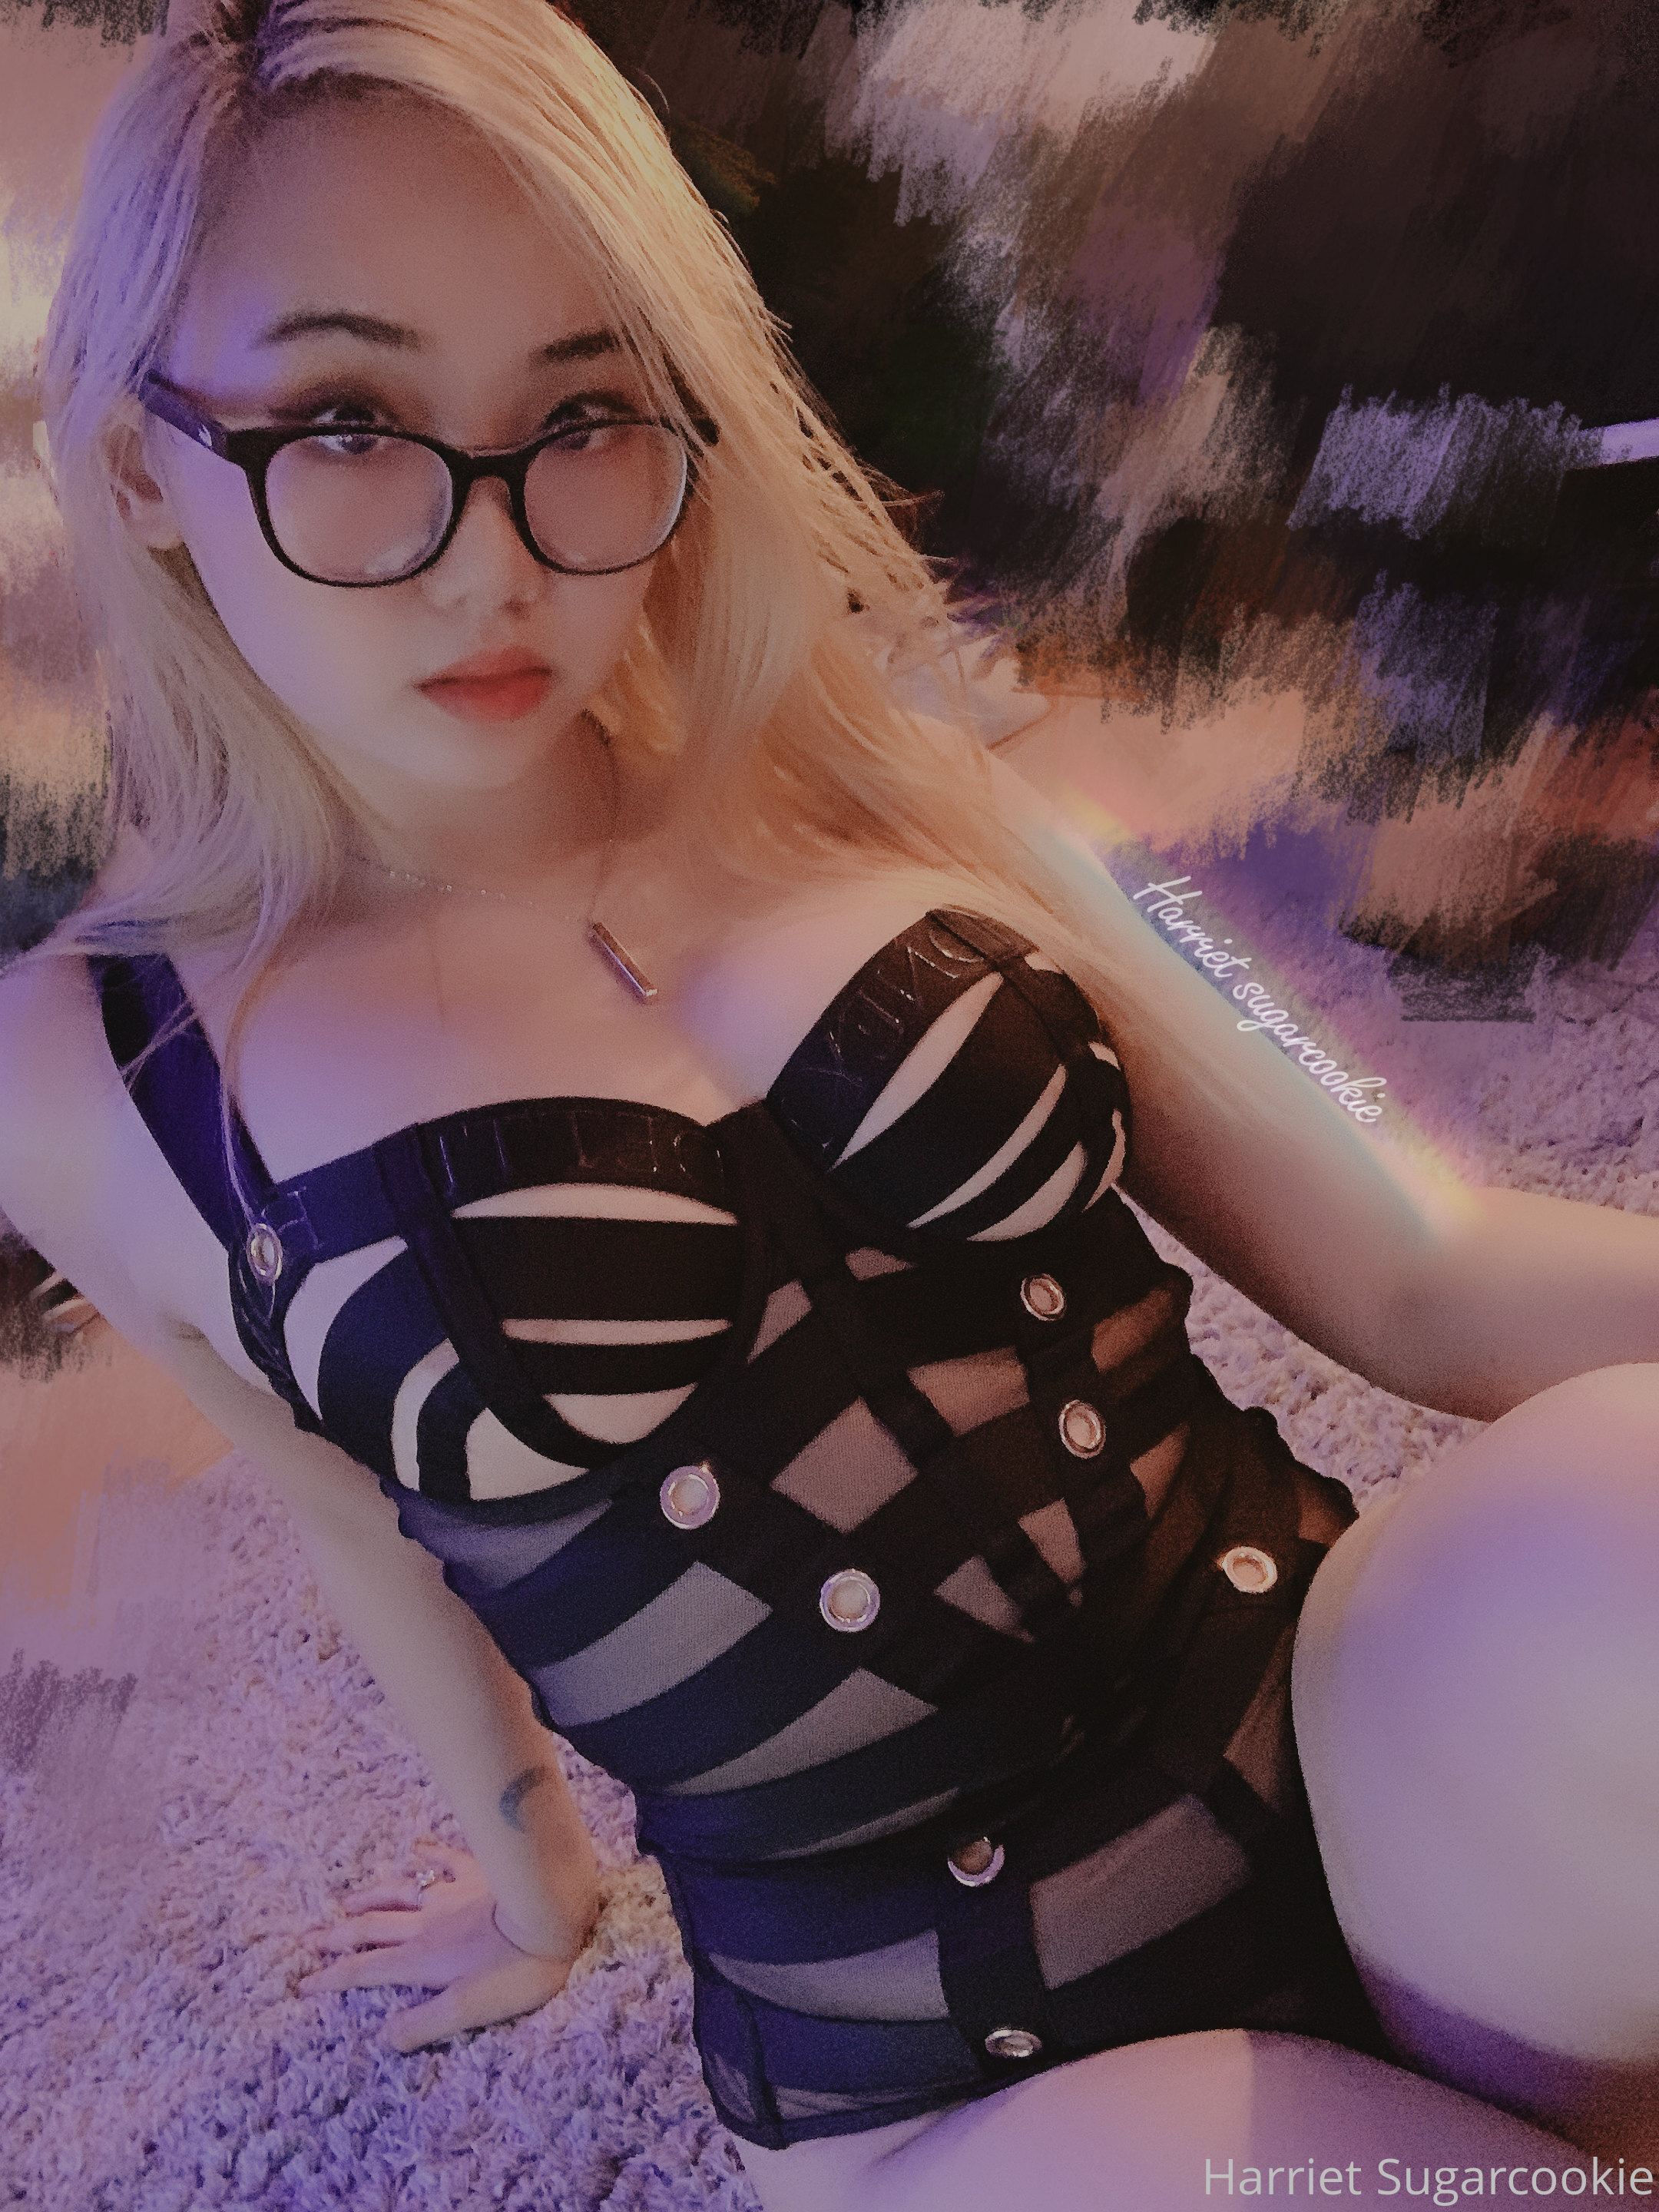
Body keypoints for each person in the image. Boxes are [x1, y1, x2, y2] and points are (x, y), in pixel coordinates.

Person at [1, 3, 1654, 2204]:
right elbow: (345, 1502)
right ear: (138, 463)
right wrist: (535, 1883)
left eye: (584, 409)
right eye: (349, 421)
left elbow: (1412, 1251)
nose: (498, 555)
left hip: (1362, 1743)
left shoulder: (906, 757)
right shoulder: (84, 1068)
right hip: (940, 2059)